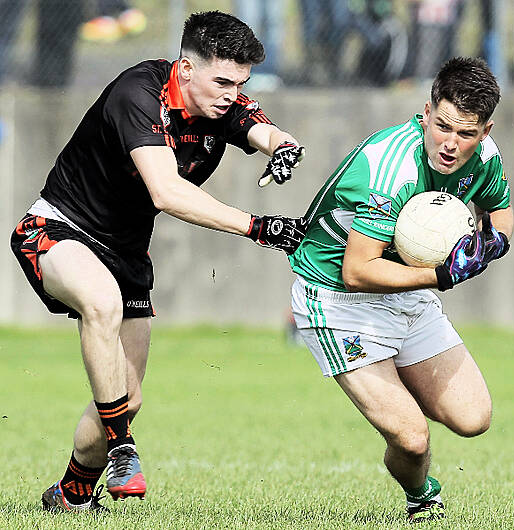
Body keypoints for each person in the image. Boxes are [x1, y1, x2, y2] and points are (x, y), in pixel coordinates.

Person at [10, 10, 306, 512]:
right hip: (57, 230)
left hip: (127, 252)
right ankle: (124, 447)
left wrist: (281, 145)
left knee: (127, 397)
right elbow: (167, 192)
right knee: (100, 305)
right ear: (186, 69)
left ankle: (72, 495)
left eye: (241, 83)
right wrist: (258, 227)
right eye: (223, 81)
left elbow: (257, 125)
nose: (232, 93)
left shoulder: (219, 100)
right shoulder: (139, 95)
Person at [288, 56, 513, 522]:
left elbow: (501, 214)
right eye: (444, 127)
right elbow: (358, 270)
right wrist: (444, 274)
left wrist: (492, 246)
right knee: (412, 439)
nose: (451, 145)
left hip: (406, 291)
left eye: (466, 134)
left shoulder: (486, 159)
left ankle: (403, 405)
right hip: (338, 301)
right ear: (426, 111)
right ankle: (421, 494)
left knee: (473, 418)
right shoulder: (391, 168)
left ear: (485, 131)